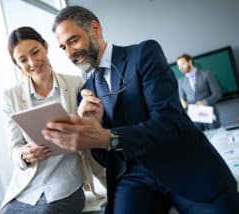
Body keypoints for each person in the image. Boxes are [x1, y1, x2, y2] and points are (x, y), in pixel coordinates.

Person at [42, 6, 239, 214]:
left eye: (73, 41)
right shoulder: (86, 91)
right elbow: (104, 157)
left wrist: (108, 137)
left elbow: (169, 123)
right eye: (63, 47)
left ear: (95, 29)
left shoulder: (144, 53)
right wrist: (92, 131)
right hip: (134, 178)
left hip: (185, 165)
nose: (70, 53)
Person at [0, 26, 105, 214]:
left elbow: (92, 130)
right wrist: (25, 155)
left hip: (65, 185)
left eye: (35, 52)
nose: (32, 62)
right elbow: (15, 149)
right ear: (17, 65)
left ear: (46, 47)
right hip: (28, 189)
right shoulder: (11, 97)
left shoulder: (76, 84)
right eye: (23, 60)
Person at [176, 54, 222, 131]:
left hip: (210, 115)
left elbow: (217, 94)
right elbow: (182, 100)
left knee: (216, 140)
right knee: (198, 142)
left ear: (190, 62)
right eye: (179, 66)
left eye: (182, 64)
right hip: (194, 119)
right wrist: (182, 103)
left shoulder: (206, 74)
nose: (180, 68)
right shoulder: (181, 81)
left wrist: (204, 102)